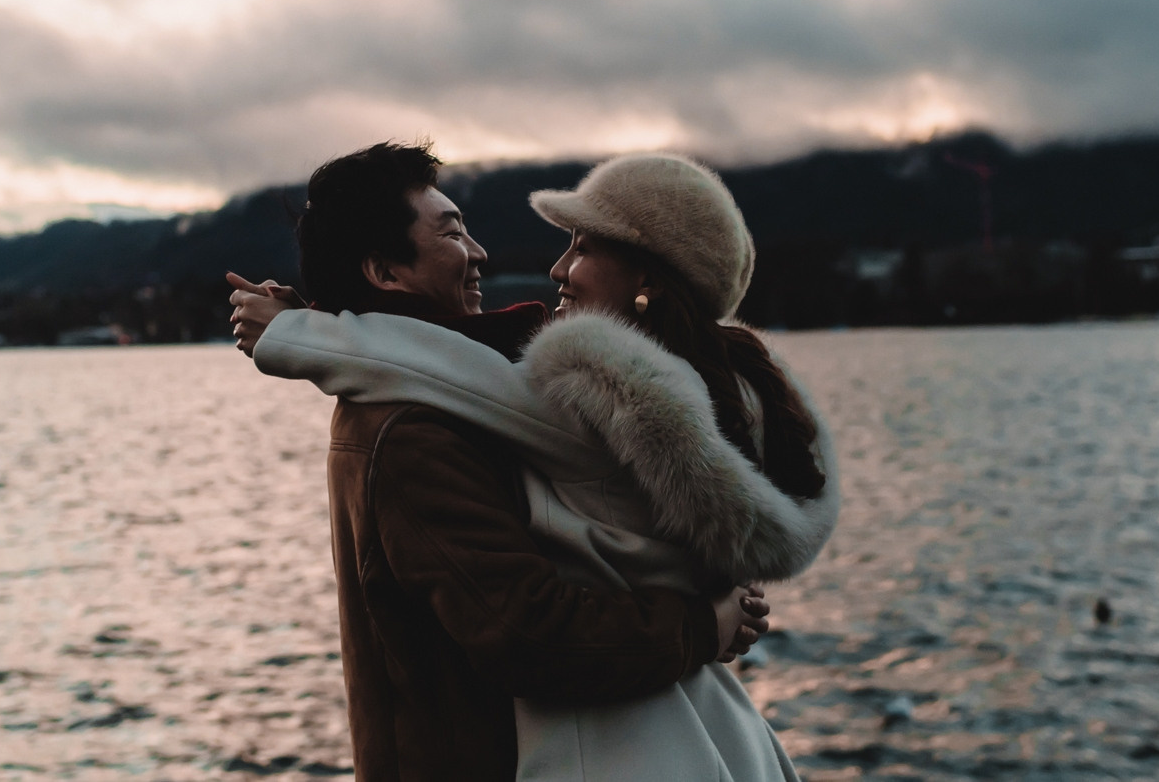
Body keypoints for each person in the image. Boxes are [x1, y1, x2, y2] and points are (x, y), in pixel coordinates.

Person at [231, 150, 840, 782]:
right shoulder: (416, 430)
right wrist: (699, 626)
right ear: (386, 271)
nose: (482, 252)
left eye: (580, 247)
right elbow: (529, 633)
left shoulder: (575, 407)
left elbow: (454, 369)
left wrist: (309, 331)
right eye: (450, 232)